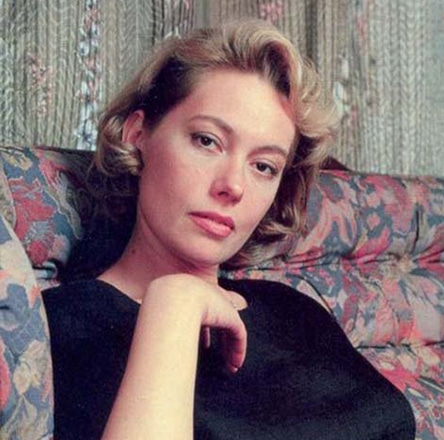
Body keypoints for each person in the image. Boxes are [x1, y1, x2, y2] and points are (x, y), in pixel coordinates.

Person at [41, 19, 416, 439]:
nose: (233, 186)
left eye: (264, 166)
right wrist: (176, 305)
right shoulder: (65, 324)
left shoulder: (293, 310)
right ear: (137, 134)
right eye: (207, 141)